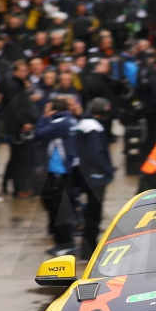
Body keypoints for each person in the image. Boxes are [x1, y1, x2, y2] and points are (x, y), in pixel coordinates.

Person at [35, 97, 80, 257]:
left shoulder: (60, 123)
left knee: (60, 209)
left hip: (60, 173)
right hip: (62, 172)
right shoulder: (70, 120)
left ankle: (66, 244)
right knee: (59, 208)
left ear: (54, 110)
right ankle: (63, 241)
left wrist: (44, 116)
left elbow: (38, 134)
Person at [73, 99, 114, 261]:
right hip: (96, 177)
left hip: (86, 174)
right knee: (94, 214)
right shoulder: (94, 128)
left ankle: (88, 246)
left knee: (90, 211)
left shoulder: (83, 124)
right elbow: (96, 153)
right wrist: (107, 170)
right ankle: (88, 249)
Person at [0, 60, 39, 199]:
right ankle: (19, 188)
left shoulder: (19, 83)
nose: (24, 73)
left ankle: (7, 184)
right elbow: (14, 107)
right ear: (15, 71)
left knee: (17, 158)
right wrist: (23, 123)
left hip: (20, 126)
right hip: (17, 128)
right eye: (21, 71)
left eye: (25, 71)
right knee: (19, 160)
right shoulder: (12, 85)